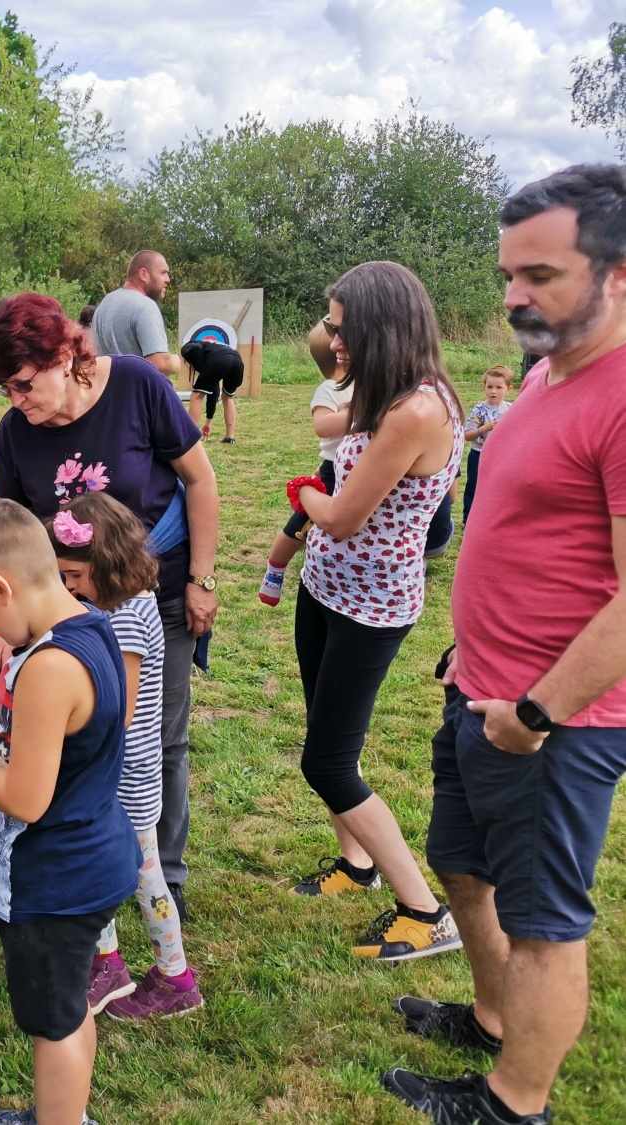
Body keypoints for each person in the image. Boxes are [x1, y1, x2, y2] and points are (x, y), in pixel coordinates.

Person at [383, 165, 626, 1125]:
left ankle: (515, 1105)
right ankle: (491, 1021)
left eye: (542, 275)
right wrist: (469, 648)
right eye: (509, 275)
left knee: (542, 922)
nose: (516, 296)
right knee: (462, 865)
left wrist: (536, 711)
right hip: (482, 687)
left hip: (553, 723)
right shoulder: (544, 372)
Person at [0, 291, 218, 920]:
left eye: (24, 384)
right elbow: (13, 536)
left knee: (158, 740)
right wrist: (13, 627)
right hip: (69, 618)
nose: (16, 400)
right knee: (84, 744)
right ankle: (101, 871)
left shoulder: (138, 385)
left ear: (64, 356)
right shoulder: (15, 432)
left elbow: (200, 479)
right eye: (5, 390)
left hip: (158, 594)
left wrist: (202, 578)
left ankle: (164, 874)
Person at [0, 497, 141, 1125]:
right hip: (95, 856)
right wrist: (7, 739)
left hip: (54, 881)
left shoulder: (49, 668)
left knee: (54, 1023)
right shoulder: (91, 625)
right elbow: (81, 734)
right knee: (70, 1006)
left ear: (1, 587)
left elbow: (27, 799)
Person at [286, 262, 465, 964]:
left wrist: (304, 491)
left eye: (341, 327)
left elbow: (341, 515)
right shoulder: (385, 388)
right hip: (326, 589)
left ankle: (425, 912)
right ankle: (356, 863)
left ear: (381, 327)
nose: (331, 340)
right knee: (330, 737)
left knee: (327, 763)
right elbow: (338, 430)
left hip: (371, 607)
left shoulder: (417, 410)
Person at [47, 493, 204, 1020]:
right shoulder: (115, 604)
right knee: (100, 869)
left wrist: (65, 720)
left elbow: (122, 709)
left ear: (106, 563)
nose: (69, 586)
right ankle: (107, 963)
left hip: (122, 776)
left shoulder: (126, 618)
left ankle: (175, 978)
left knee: (143, 878)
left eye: (75, 575)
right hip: (109, 772)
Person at [259, 320, 351, 606]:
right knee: (301, 525)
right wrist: (358, 412)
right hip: (333, 471)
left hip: (361, 468)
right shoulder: (330, 388)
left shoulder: (369, 386)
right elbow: (322, 426)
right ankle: (275, 570)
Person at [89, 251, 183, 379]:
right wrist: (176, 361)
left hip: (107, 390)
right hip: (137, 391)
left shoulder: (105, 304)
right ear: (143, 274)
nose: (168, 279)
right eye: (163, 272)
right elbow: (159, 363)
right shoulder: (145, 306)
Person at [461, 365, 514, 523]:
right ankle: (468, 520)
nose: (493, 391)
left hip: (501, 456)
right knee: (474, 487)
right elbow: (467, 435)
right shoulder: (479, 409)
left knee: (499, 488)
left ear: (509, 389)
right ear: (484, 387)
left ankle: (493, 519)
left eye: (499, 387)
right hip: (478, 455)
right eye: (490, 387)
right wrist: (484, 428)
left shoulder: (511, 410)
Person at [181, 337, 244, 443]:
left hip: (220, 360)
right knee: (228, 397)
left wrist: (198, 365)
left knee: (196, 396)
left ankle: (190, 436)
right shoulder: (212, 346)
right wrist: (208, 422)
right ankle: (230, 437)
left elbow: (195, 349)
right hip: (237, 361)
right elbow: (213, 389)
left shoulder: (188, 347)